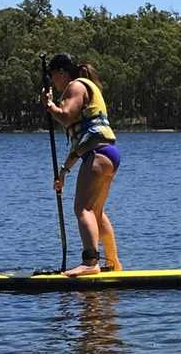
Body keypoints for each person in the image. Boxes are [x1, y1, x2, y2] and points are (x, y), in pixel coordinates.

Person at [42, 53, 123, 277]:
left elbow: (67, 116)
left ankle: (91, 262)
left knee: (82, 209)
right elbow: (83, 142)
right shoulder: (86, 86)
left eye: (52, 77)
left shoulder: (75, 86)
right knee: (96, 212)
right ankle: (113, 262)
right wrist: (64, 171)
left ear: (61, 73)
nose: (53, 83)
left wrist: (49, 106)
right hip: (108, 153)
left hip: (97, 154)